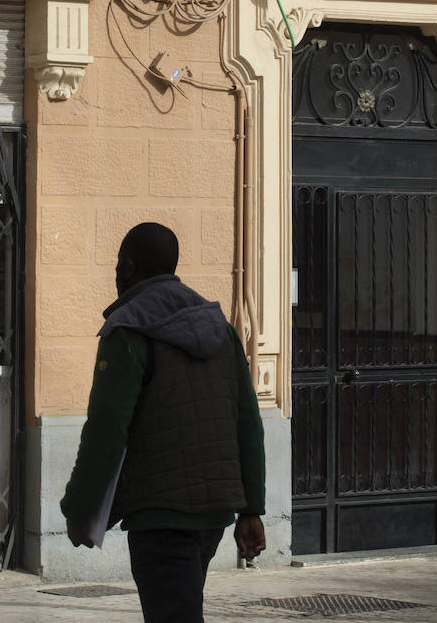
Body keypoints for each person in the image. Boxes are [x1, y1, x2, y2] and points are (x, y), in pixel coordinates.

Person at [61, 222, 266, 623]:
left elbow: (105, 431)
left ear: (129, 267)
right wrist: (251, 508)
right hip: (213, 515)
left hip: (159, 515)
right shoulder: (221, 330)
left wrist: (80, 508)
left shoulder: (127, 331)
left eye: (119, 265)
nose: (116, 274)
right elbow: (248, 422)